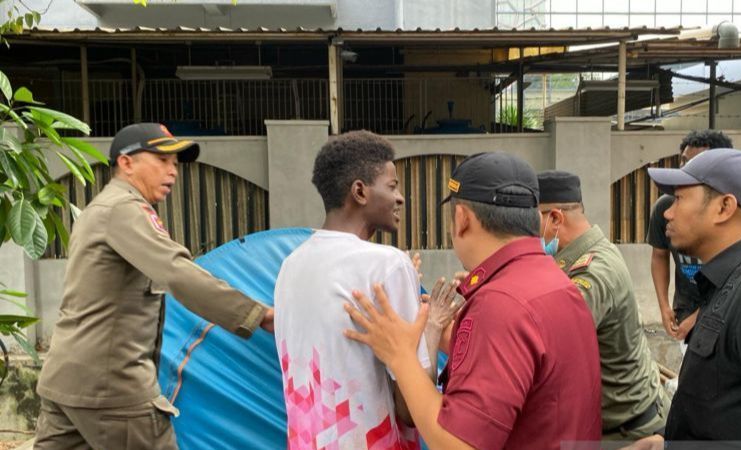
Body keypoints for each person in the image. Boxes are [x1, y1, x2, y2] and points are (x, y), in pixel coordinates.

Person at [34, 123, 274, 450]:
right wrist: (256, 314)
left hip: (66, 379)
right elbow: (178, 272)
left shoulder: (101, 209)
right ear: (126, 163)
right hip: (112, 387)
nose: (172, 171)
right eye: (162, 160)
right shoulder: (123, 209)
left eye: (175, 163)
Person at [343, 152, 602, 450]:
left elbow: (458, 443)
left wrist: (400, 355)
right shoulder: (555, 282)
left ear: (462, 219)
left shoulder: (501, 303)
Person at [273, 130, 456, 450]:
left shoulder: (291, 265)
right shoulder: (387, 265)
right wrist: (432, 324)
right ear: (360, 191)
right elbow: (411, 409)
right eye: (392, 186)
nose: (400, 197)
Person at [633, 148, 741, 446]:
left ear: (724, 207)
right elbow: (728, 411)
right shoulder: (729, 281)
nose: (668, 212)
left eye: (680, 198)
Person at [538, 170, 669, 441]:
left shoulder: (593, 272)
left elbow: (547, 344)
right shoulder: (577, 256)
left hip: (629, 432)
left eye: (531, 222)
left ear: (554, 218)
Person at [648, 130, 733, 342]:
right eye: (683, 162)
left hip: (724, 317)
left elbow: (734, 280)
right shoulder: (665, 209)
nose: (685, 169)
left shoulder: (734, 215)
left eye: (696, 163)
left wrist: (698, 318)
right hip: (685, 311)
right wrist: (664, 306)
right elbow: (659, 256)